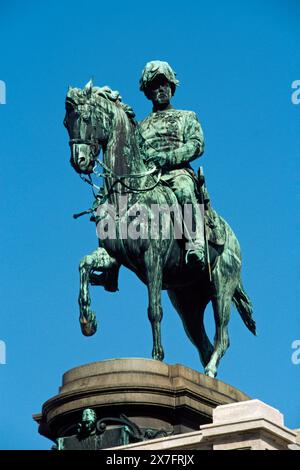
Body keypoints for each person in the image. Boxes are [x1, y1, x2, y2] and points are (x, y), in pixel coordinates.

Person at [138, 60, 206, 267]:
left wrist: (169, 157)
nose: (160, 89)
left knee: (185, 190)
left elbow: (196, 144)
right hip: (149, 179)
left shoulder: (186, 116)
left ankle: (196, 243)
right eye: (155, 86)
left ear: (172, 86)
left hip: (178, 173)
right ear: (148, 92)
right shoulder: (139, 127)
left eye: (164, 84)